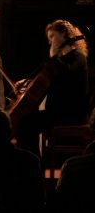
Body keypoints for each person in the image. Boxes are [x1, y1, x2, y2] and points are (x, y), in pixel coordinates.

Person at [15, 19, 89, 158]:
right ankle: (34, 163)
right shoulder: (61, 59)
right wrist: (27, 83)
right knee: (25, 121)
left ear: (64, 34)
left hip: (70, 114)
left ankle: (32, 165)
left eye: (52, 36)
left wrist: (54, 56)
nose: (50, 42)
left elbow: (65, 74)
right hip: (57, 112)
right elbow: (53, 79)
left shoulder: (78, 57)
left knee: (26, 123)